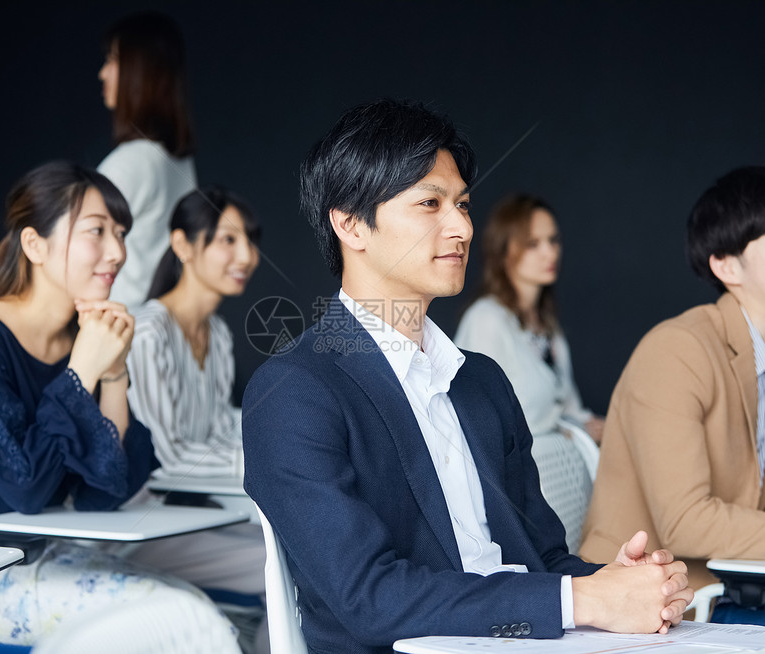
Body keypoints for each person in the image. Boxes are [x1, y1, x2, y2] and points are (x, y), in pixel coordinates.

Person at [241, 99, 692, 654]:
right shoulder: (295, 391)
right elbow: (369, 599)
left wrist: (613, 582)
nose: (461, 227)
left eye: (463, 204)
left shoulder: (480, 380)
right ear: (350, 223)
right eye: (430, 203)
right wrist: (582, 602)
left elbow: (542, 558)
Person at [0, 162, 239, 651]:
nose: (118, 252)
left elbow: (105, 492)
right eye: (97, 231)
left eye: (121, 233)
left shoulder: (81, 339)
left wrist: (113, 374)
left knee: (190, 613)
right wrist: (80, 371)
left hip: (33, 552)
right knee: (182, 622)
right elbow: (27, 486)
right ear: (34, 245)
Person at [580, 166, 765, 625]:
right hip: (664, 599)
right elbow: (688, 520)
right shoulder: (679, 349)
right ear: (726, 264)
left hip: (741, 582)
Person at [124, 186, 268, 653]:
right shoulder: (148, 331)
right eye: (227, 239)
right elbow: (167, 461)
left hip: (195, 516)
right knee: (295, 564)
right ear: (183, 245)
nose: (246, 254)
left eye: (249, 239)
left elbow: (224, 428)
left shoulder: (218, 333)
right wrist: (274, 466)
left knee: (309, 552)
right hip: (142, 523)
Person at [453, 195, 604, 551]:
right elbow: (475, 418)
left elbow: (566, 405)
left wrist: (586, 424)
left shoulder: (548, 328)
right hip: (512, 493)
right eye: (533, 244)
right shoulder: (487, 319)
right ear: (505, 250)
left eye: (553, 241)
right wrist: (571, 424)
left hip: (559, 478)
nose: (549, 253)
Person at [97, 10, 198, 308]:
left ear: (140, 72)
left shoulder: (130, 163)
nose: (102, 73)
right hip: (157, 328)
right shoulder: (177, 161)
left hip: (122, 329)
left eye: (112, 60)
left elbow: (74, 255)